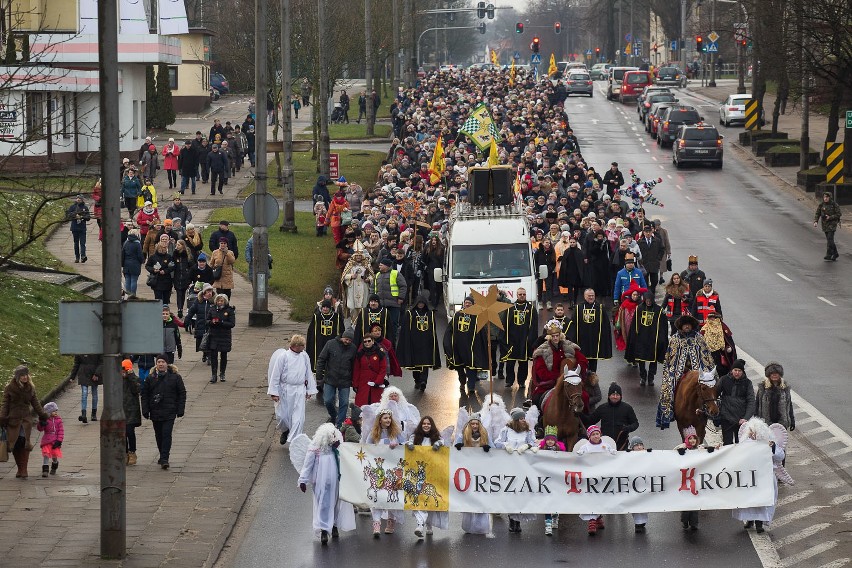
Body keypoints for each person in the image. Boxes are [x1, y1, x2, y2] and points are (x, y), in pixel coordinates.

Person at [298, 423, 356, 544]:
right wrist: (303, 480)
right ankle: (324, 529)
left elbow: (347, 459)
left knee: (335, 502)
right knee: (323, 503)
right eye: (331, 435)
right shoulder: (316, 448)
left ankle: (334, 525)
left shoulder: (337, 448)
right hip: (320, 483)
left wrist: (339, 448)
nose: (333, 437)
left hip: (336, 481)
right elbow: (307, 465)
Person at [656, 314, 714, 430]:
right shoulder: (675, 339)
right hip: (680, 372)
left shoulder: (699, 338)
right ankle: (668, 413)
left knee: (711, 386)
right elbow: (670, 357)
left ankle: (714, 413)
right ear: (681, 326)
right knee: (668, 386)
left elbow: (706, 355)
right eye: (685, 325)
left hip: (698, 371)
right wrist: (675, 370)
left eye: (688, 325)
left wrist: (706, 369)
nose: (687, 327)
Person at [733, 417, 786, 533]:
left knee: (762, 499)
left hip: (764, 476)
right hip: (750, 476)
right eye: (750, 431)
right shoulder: (745, 443)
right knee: (750, 499)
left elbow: (780, 456)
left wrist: (773, 448)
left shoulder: (768, 443)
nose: (752, 434)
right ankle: (750, 520)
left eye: (754, 431)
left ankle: (759, 523)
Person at [493, 407, 538, 533]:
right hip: (509, 466)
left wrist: (527, 446)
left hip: (523, 467)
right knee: (511, 493)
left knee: (520, 493)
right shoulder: (506, 430)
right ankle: (511, 520)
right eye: (521, 418)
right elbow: (497, 442)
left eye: (524, 418)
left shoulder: (528, 431)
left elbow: (534, 443)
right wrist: (506, 446)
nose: (524, 420)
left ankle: (518, 522)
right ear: (516, 420)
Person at [268, 334, 317, 445]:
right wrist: (274, 392)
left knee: (299, 417)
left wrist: (309, 390)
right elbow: (275, 375)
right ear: (296, 345)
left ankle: (295, 441)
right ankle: (285, 430)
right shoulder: (284, 357)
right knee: (282, 416)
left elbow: (308, 373)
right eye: (302, 345)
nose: (304, 347)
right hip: (286, 389)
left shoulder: (304, 356)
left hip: (300, 389)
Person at [0, 366, 48, 479]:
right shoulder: (10, 388)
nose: (25, 377)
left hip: (26, 421)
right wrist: (2, 418)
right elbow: (5, 404)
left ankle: (24, 469)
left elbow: (35, 403)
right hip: (13, 420)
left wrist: (42, 414)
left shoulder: (30, 388)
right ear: (17, 377)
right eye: (22, 375)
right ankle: (20, 468)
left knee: (24, 442)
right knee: (15, 444)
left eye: (26, 375)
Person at [141, 354, 186, 470]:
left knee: (166, 434)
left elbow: (182, 393)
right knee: (159, 435)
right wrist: (145, 410)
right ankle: (162, 454)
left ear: (167, 364)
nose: (161, 364)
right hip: (155, 411)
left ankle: (165, 458)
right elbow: (144, 395)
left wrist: (180, 409)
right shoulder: (150, 378)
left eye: (163, 362)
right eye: (159, 362)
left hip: (169, 411)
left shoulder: (175, 377)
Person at [443, 296, 490, 399]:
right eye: (466, 303)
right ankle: (462, 382)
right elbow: (450, 329)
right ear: (463, 304)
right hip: (458, 347)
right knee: (460, 368)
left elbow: (482, 332)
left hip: (471, 348)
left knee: (471, 368)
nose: (467, 304)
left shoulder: (477, 316)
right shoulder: (457, 315)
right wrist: (448, 342)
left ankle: (471, 386)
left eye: (469, 303)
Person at [529, 319, 582, 409]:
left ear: (560, 335)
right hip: (550, 384)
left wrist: (574, 374)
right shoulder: (542, 350)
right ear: (549, 337)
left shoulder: (569, 346)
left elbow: (582, 360)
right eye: (553, 336)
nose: (555, 338)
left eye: (557, 336)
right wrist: (557, 378)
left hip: (570, 381)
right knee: (537, 399)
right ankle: (540, 421)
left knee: (584, 397)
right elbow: (541, 371)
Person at [575, 424, 618, 535]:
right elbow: (578, 459)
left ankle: (598, 517)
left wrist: (613, 453)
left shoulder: (605, 445)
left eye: (597, 434)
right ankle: (592, 521)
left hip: (602, 477)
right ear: (589, 436)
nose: (596, 436)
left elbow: (612, 456)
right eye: (593, 434)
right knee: (591, 497)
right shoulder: (585, 447)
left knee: (601, 497)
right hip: (590, 477)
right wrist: (579, 455)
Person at [674, 426, 718, 530]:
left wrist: (711, 449)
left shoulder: (700, 448)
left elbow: (710, 449)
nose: (692, 440)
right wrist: (680, 451)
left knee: (695, 502)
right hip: (685, 479)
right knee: (686, 502)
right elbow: (673, 453)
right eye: (690, 438)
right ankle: (685, 521)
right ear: (687, 439)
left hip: (696, 479)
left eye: (694, 438)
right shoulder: (683, 447)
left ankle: (694, 523)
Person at [397, 294, 441, 391]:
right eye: (419, 303)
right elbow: (405, 330)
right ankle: (417, 380)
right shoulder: (410, 314)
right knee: (415, 365)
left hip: (425, 343)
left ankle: (423, 381)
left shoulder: (430, 313)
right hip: (414, 343)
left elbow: (432, 330)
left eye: (422, 303)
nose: (421, 305)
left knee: (425, 364)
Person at [316, 328, 357, 427]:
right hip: (330, 378)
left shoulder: (353, 348)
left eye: (350, 340)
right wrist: (319, 376)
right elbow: (321, 359)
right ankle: (334, 416)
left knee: (344, 403)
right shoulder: (330, 344)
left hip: (345, 380)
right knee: (328, 400)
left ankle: (340, 425)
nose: (347, 342)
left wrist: (353, 381)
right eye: (346, 339)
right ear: (342, 337)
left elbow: (354, 366)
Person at [625, 291, 668, 385]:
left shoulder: (658, 310)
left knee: (653, 360)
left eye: (650, 300)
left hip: (654, 339)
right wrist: (634, 337)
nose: (648, 302)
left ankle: (651, 377)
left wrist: (661, 339)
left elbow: (662, 326)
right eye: (647, 300)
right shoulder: (639, 308)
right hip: (641, 339)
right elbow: (634, 324)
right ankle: (643, 377)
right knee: (641, 359)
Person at [566, 288, 612, 373]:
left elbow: (606, 325)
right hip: (582, 340)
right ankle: (583, 378)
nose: (591, 297)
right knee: (582, 361)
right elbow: (573, 324)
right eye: (589, 296)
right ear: (584, 296)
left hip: (595, 340)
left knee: (593, 362)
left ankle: (592, 378)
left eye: (592, 296)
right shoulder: (578, 308)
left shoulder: (600, 308)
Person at [581, 382, 639, 450]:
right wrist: (579, 413)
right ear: (609, 396)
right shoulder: (602, 408)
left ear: (621, 396)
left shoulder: (627, 408)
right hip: (605, 443)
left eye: (617, 395)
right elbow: (590, 420)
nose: (615, 397)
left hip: (622, 444)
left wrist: (628, 428)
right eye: (613, 394)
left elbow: (635, 423)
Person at [501, 287, 538, 391]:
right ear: (516, 295)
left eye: (524, 294)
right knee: (510, 363)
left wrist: (531, 341)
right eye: (520, 294)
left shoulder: (531, 308)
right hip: (512, 341)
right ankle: (509, 381)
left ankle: (521, 381)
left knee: (523, 363)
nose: (522, 296)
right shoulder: (510, 308)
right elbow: (505, 324)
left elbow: (534, 326)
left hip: (524, 341)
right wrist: (505, 339)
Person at [716, 358, 755, 445]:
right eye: (735, 370)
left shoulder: (747, 383)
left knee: (741, 444)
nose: (737, 373)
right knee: (727, 444)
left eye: (739, 371)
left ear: (743, 372)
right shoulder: (724, 380)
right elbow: (715, 394)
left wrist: (746, 417)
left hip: (741, 419)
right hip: (726, 417)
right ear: (732, 370)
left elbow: (751, 401)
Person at [539, 426, 566, 536]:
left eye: (552, 439)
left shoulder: (560, 451)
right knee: (547, 502)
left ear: (555, 441)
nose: (550, 441)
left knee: (556, 500)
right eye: (548, 439)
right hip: (546, 480)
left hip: (557, 479)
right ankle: (548, 524)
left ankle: (555, 516)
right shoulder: (542, 450)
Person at [374, 257, 408, 344]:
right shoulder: (377, 275)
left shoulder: (395, 273)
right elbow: (373, 288)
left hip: (394, 304)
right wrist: (372, 300)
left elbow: (403, 286)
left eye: (381, 265)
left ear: (387, 266)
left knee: (393, 324)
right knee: (380, 324)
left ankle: (392, 342)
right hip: (381, 305)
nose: (379, 266)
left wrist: (401, 298)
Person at [306, 300, 345, 373]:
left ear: (330, 308)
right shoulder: (316, 317)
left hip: (331, 341)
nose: (325, 309)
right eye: (323, 307)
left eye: (327, 307)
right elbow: (311, 332)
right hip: (319, 342)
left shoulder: (336, 317)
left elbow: (341, 331)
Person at [756, 361, 795, 432]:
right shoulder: (762, 388)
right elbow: (757, 404)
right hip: (766, 424)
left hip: (781, 424)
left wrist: (792, 420)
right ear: (768, 375)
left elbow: (789, 405)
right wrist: (756, 421)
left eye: (776, 373)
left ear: (780, 374)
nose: (774, 375)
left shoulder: (785, 388)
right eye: (772, 373)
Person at [352, 334, 388, 406]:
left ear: (373, 341)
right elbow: (356, 370)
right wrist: (355, 384)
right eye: (365, 342)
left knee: (376, 405)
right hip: (363, 383)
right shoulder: (360, 354)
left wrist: (378, 381)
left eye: (369, 341)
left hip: (376, 383)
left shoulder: (379, 353)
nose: (367, 343)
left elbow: (383, 368)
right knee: (362, 405)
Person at [206, 293, 235, 383]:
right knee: (213, 355)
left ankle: (222, 373)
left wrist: (222, 322)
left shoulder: (229, 311)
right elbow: (207, 320)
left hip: (224, 336)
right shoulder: (212, 309)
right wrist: (212, 322)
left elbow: (232, 324)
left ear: (225, 301)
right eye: (218, 301)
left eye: (221, 301)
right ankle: (214, 374)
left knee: (224, 355)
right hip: (214, 335)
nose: (219, 302)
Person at [626, 436, 651, 533]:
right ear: (632, 448)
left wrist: (652, 455)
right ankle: (638, 523)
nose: (639, 447)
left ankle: (642, 520)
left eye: (641, 445)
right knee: (636, 503)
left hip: (645, 484)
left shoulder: (647, 454)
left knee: (644, 503)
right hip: (634, 485)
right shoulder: (628, 457)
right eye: (636, 446)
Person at [700, 310, 737, 375]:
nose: (712, 319)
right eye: (710, 317)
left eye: (714, 317)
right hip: (708, 353)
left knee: (722, 369)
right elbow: (700, 340)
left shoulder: (723, 327)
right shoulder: (704, 328)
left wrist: (729, 348)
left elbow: (729, 340)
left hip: (720, 353)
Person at [121, 359, 142, 465]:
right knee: (122, 434)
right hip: (120, 412)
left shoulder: (134, 379)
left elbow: (137, 389)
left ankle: (132, 452)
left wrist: (131, 376)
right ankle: (124, 453)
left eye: (125, 370)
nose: (123, 372)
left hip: (131, 411)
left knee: (130, 432)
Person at [71, 354, 102, 423]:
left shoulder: (96, 350)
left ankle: (93, 414)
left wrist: (97, 373)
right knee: (84, 393)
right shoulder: (80, 351)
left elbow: (101, 362)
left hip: (94, 373)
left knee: (94, 393)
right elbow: (77, 363)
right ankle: (84, 414)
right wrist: (72, 376)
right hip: (84, 373)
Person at [36, 401, 63, 477]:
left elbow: (61, 431)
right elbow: (40, 429)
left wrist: (59, 440)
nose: (55, 412)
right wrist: (41, 423)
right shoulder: (46, 420)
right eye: (53, 411)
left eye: (56, 411)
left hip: (55, 441)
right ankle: (45, 470)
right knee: (46, 454)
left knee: (54, 456)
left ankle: (54, 466)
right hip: (46, 440)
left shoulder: (58, 420)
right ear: (49, 412)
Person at [636, 223, 664, 295]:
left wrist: (658, 258)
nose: (648, 233)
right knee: (645, 282)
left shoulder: (657, 241)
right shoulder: (640, 242)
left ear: (652, 232)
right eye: (646, 232)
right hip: (644, 264)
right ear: (644, 233)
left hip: (654, 263)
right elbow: (637, 252)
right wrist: (640, 260)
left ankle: (652, 293)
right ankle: (646, 295)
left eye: (649, 232)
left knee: (654, 281)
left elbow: (662, 249)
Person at [814, 191, 841, 261]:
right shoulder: (821, 205)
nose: (825, 198)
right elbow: (817, 213)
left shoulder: (834, 204)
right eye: (824, 197)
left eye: (827, 197)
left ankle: (832, 254)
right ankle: (833, 254)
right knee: (829, 240)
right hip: (825, 224)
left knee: (830, 239)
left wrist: (830, 217)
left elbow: (839, 214)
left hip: (832, 224)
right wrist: (815, 221)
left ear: (830, 197)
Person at [146, 238, 175, 304]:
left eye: (165, 248)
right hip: (156, 281)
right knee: (158, 300)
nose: (165, 249)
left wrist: (165, 271)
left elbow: (172, 267)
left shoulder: (169, 257)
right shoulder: (153, 257)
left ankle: (165, 312)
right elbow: (147, 266)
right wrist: (153, 270)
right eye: (163, 248)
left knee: (166, 300)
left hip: (166, 281)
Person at [66, 194, 91, 263]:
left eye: (80, 199)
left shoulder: (85, 208)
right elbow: (68, 215)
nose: (78, 199)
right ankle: (77, 257)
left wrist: (82, 217)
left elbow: (88, 217)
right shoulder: (72, 207)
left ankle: (83, 256)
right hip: (75, 228)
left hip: (82, 228)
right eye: (77, 198)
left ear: (82, 200)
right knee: (76, 243)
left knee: (83, 243)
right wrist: (75, 215)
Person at [122, 229, 144, 298]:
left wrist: (122, 264)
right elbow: (140, 255)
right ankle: (133, 295)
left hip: (126, 264)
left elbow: (123, 254)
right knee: (134, 280)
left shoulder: (126, 243)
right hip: (135, 264)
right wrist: (142, 261)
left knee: (127, 280)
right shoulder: (137, 244)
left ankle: (127, 295)